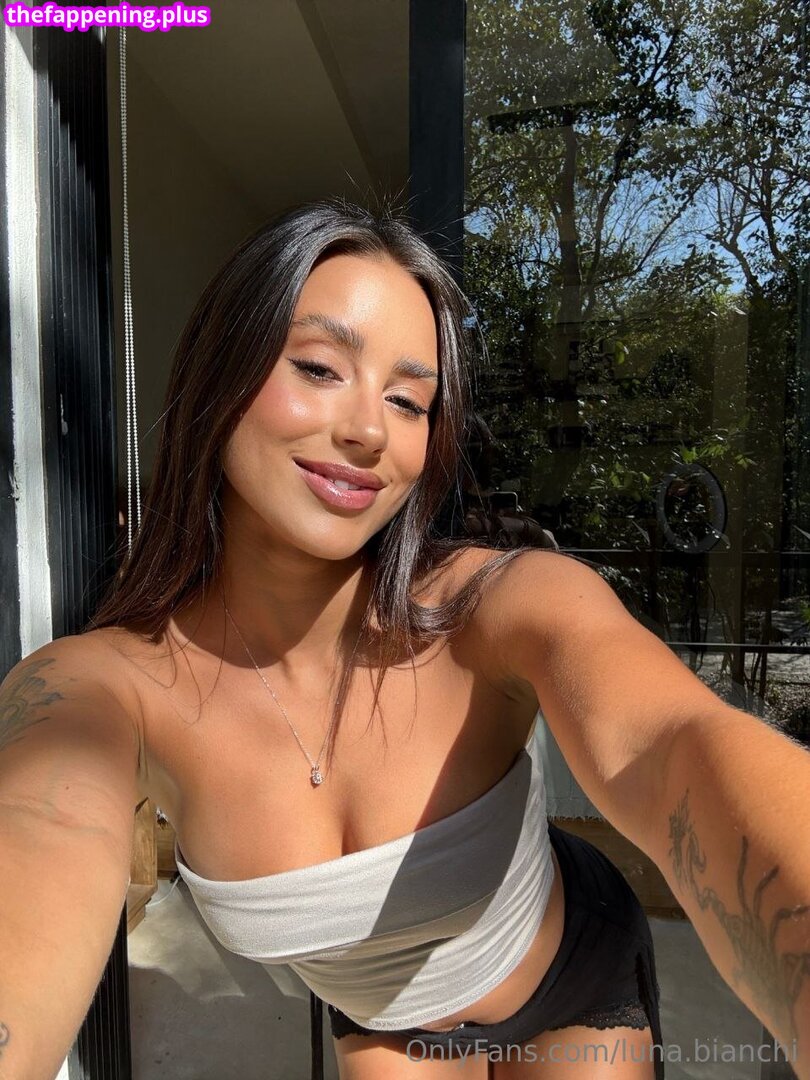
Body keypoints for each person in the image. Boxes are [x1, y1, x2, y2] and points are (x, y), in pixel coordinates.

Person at [1, 198, 808, 1080]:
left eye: (408, 400)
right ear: (218, 372)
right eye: (319, 367)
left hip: (575, 976)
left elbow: (675, 745)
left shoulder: (492, 608)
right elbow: (39, 822)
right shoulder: (100, 690)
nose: (370, 430)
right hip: (387, 1025)